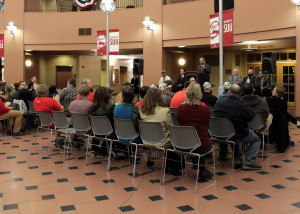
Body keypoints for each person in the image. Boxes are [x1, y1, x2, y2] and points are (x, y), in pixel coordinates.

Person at [214, 84, 262, 170]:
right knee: (256, 139)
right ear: (240, 94)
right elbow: (251, 116)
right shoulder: (242, 105)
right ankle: (249, 162)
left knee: (234, 134)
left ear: (228, 92)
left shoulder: (219, 103)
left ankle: (238, 159)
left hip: (220, 134)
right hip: (238, 133)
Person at [177, 83, 213, 182]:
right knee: (200, 138)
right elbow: (206, 125)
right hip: (202, 145)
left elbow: (178, 120)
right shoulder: (205, 110)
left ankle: (201, 168)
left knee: (194, 139)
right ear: (199, 95)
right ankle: (202, 168)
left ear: (187, 93)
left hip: (183, 144)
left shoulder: (180, 108)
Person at [140, 88, 173, 166]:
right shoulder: (165, 111)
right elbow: (171, 127)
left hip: (146, 140)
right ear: (160, 97)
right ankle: (172, 166)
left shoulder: (142, 110)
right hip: (162, 142)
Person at [267, 85, 299, 153]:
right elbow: (284, 113)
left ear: (276, 93)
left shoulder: (268, 100)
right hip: (280, 123)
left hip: (270, 122)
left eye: (274, 90)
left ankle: (296, 122)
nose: (272, 91)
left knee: (284, 115)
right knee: (285, 116)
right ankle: (296, 122)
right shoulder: (283, 103)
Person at [90, 87, 115, 156]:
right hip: (109, 133)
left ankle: (94, 148)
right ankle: (103, 150)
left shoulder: (92, 108)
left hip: (95, 132)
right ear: (106, 96)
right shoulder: (111, 107)